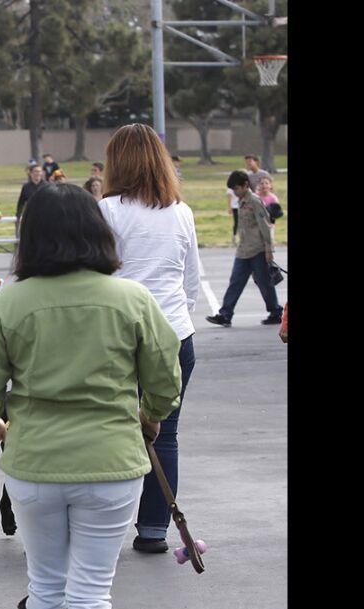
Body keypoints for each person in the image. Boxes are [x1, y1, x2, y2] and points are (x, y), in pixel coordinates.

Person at [0, 182, 182, 609]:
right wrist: (151, 414)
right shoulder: (132, 298)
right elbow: (164, 377)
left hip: (33, 463)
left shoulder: (10, 302)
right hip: (112, 463)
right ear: (98, 233)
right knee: (93, 584)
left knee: (45, 579)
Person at [97, 122, 203, 555]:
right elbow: (191, 281)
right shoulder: (181, 211)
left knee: (109, 432)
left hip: (120, 336)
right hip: (175, 333)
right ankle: (155, 529)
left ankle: (101, 526)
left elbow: (96, 274)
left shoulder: (106, 210)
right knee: (166, 435)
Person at [206, 171, 282, 327]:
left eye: (236, 188)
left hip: (257, 250)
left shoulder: (254, 201)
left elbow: (265, 226)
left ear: (246, 185)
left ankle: (275, 312)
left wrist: (269, 250)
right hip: (243, 251)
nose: (234, 192)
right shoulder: (240, 201)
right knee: (235, 282)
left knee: (264, 282)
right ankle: (225, 314)